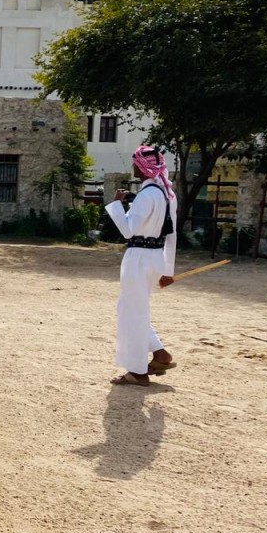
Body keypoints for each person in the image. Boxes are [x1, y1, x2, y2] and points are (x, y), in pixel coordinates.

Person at [104, 145, 177, 386]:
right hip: (155, 258)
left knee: (133, 312)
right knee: (132, 309)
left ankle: (137, 371)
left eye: (135, 163)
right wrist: (168, 270)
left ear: (143, 167)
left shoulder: (147, 195)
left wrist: (116, 204)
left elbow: (128, 230)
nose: (133, 167)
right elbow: (171, 235)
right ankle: (159, 353)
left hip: (138, 257)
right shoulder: (167, 194)